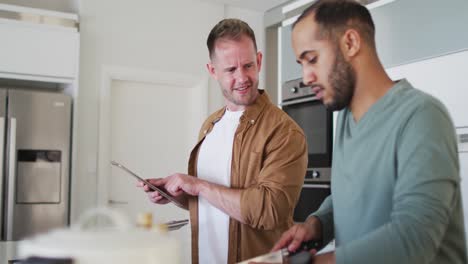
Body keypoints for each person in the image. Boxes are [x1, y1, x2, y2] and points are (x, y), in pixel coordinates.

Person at [272, 1, 467, 263]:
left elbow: (415, 237)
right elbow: (349, 195)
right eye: (301, 64)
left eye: (312, 59)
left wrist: (312, 263)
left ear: (350, 43)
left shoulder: (421, 116)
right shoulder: (344, 120)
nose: (306, 77)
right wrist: (317, 224)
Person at [138, 18, 308, 264]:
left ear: (259, 61)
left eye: (248, 65)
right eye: (230, 69)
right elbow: (212, 202)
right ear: (212, 71)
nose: (242, 77)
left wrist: (197, 185)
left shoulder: (284, 132)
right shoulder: (210, 126)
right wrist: (177, 194)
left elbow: (270, 210)